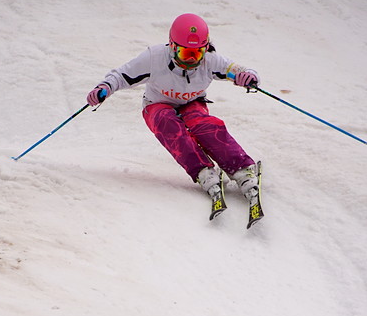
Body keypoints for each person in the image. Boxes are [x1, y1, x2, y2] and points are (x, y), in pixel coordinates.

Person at [86, 13, 260, 204]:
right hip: (158, 105)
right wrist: (104, 88)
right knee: (168, 125)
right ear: (173, 47)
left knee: (206, 126)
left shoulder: (210, 60)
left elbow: (241, 70)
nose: (192, 60)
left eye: (198, 53)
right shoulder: (154, 58)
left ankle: (242, 168)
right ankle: (203, 172)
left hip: (193, 103)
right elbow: (121, 75)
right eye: (186, 53)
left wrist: (248, 77)